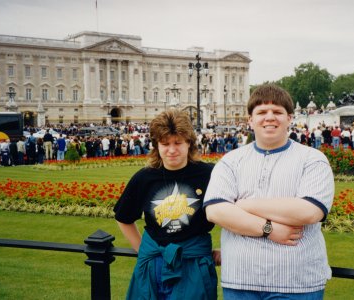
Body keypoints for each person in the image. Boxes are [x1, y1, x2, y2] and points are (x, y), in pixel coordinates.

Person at [204, 84, 334, 299]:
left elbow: (310, 211)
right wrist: (269, 229)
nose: (269, 117)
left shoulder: (312, 159)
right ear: (250, 120)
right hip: (240, 279)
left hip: (297, 280)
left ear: (290, 118)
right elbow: (216, 212)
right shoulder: (231, 161)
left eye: (277, 112)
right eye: (262, 112)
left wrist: (244, 205)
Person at [114, 109, 219, 299]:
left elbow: (231, 213)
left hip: (192, 264)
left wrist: (226, 250)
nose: (172, 150)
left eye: (178, 142)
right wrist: (143, 251)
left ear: (189, 143)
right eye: (165, 144)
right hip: (152, 265)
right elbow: (123, 217)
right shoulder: (144, 178)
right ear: (156, 146)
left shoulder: (210, 174)